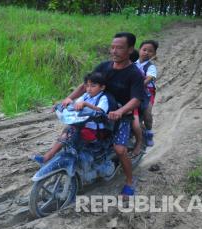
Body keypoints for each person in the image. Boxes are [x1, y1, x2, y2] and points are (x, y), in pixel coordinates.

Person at [62, 32, 144, 197]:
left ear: (130, 50)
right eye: (112, 47)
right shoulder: (104, 66)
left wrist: (120, 111)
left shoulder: (134, 73)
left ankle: (129, 181)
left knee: (120, 149)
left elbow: (136, 99)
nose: (114, 51)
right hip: (97, 111)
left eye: (119, 48)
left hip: (120, 116)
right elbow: (85, 86)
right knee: (70, 132)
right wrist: (68, 98)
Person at [31, 72, 109, 165]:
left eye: (93, 86)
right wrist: (68, 102)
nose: (89, 89)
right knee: (65, 134)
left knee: (72, 137)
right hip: (82, 124)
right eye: (87, 86)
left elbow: (100, 110)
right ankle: (46, 157)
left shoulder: (103, 98)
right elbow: (76, 104)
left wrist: (86, 104)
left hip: (94, 129)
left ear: (102, 87)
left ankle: (51, 158)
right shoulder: (85, 96)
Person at [135, 40, 158, 147]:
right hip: (133, 90)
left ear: (154, 54)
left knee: (147, 111)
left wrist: (140, 85)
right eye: (144, 50)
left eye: (150, 51)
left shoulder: (150, 67)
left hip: (147, 92)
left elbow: (149, 78)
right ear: (139, 50)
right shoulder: (133, 63)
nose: (146, 53)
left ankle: (149, 132)